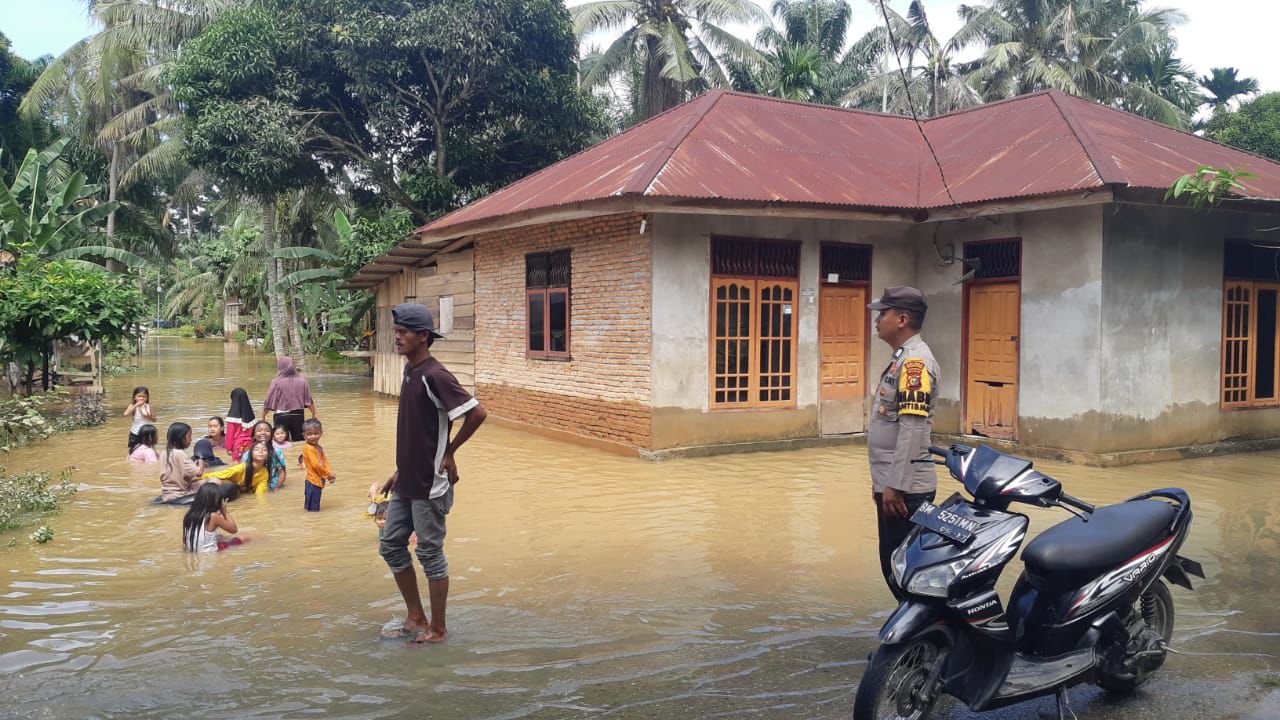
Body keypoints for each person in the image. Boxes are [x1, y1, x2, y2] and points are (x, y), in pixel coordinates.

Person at [371, 303, 487, 644]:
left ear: (423, 336)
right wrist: (397, 471)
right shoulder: (410, 371)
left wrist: (450, 452)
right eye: (396, 332)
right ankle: (415, 616)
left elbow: (477, 414)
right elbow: (419, 432)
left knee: (429, 553)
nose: (397, 338)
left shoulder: (436, 375)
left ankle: (438, 628)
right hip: (407, 480)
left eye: (404, 332)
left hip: (430, 484)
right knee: (391, 545)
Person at [866, 286, 940, 599]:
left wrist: (895, 485)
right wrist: (881, 484)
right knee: (894, 567)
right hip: (894, 485)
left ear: (902, 319)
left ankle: (921, 640)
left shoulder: (914, 365)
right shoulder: (902, 359)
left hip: (905, 489)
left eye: (883, 313)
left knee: (904, 571)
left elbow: (912, 429)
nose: (877, 319)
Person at [263, 357, 317, 442]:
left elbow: (268, 401)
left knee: (281, 442)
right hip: (298, 416)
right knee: (299, 442)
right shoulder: (302, 381)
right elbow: (308, 400)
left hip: (280, 416)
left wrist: (263, 416)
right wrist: (314, 412)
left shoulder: (275, 382)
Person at [182, 483, 243, 553]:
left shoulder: (188, 515)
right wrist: (224, 511)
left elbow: (185, 541)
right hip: (210, 554)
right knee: (244, 537)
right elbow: (234, 529)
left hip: (194, 552)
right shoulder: (213, 516)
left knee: (220, 537)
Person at [158, 422, 207, 504]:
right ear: (182, 438)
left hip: (166, 494)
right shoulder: (180, 454)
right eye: (189, 437)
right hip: (179, 495)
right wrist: (201, 462)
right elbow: (199, 473)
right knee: (214, 481)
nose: (191, 440)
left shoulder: (164, 453)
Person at [204, 440, 273, 497]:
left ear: (267, 456)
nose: (260, 451)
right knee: (216, 481)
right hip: (226, 486)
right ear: (251, 454)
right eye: (256, 449)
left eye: (264, 450)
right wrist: (201, 476)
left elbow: (260, 494)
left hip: (238, 491)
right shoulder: (241, 468)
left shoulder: (265, 473)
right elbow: (220, 474)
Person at [241, 420, 287, 490]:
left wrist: (277, 488)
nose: (263, 433)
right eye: (259, 431)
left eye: (267, 431)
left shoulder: (278, 452)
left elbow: (282, 473)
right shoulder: (247, 455)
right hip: (255, 487)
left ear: (272, 435)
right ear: (253, 435)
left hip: (273, 487)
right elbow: (243, 474)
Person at [300, 419, 335, 512]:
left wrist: (329, 473)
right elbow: (316, 465)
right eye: (309, 434)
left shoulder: (318, 447)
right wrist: (328, 475)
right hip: (312, 481)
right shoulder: (309, 448)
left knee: (312, 506)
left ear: (321, 433)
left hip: (318, 480)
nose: (313, 436)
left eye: (316, 433)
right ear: (304, 435)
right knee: (313, 510)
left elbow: (325, 461)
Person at [123, 386, 156, 453]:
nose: (141, 398)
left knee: (148, 451)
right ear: (134, 397)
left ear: (147, 398)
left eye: (144, 396)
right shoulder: (132, 406)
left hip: (147, 433)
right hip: (135, 433)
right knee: (133, 450)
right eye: (139, 396)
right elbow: (125, 414)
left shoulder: (148, 406)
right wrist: (136, 405)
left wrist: (147, 415)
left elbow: (154, 419)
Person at [225, 388, 256, 456]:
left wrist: (228, 449)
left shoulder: (231, 417)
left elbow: (229, 435)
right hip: (250, 445)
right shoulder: (251, 416)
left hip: (237, 446)